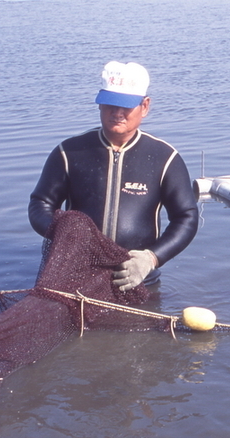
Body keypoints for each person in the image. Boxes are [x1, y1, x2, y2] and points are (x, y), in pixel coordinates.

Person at [29, 61, 198, 290]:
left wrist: (152, 258)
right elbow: (40, 204)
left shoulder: (165, 158)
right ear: (100, 104)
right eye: (110, 104)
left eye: (126, 106)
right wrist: (64, 232)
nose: (117, 113)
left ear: (145, 106)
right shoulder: (68, 152)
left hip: (138, 282)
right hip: (75, 277)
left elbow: (186, 217)